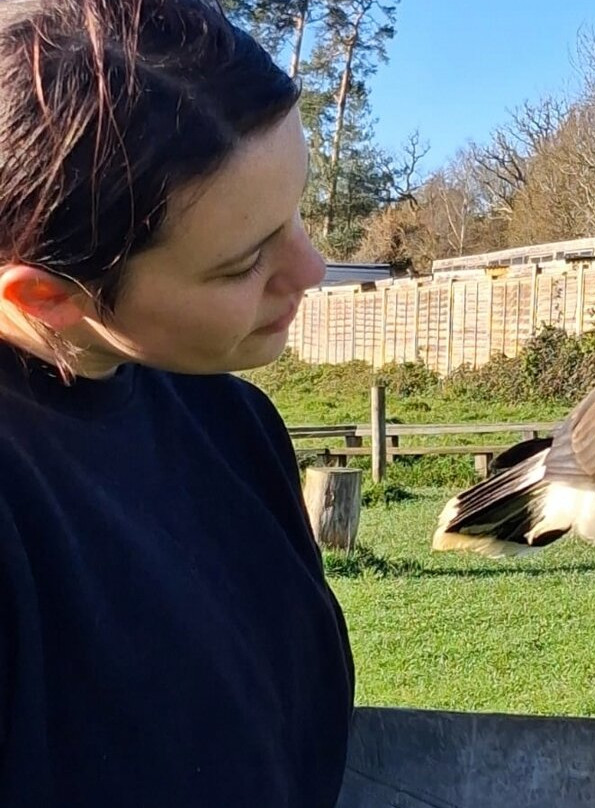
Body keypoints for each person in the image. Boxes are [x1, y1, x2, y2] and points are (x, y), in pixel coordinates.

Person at [0, 1, 354, 805]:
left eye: (295, 208)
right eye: (240, 264)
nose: (311, 268)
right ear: (48, 297)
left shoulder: (234, 425)